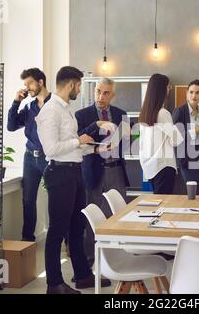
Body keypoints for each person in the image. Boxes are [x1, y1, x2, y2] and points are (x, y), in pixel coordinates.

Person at [36, 66, 110, 294]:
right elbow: (51, 149)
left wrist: (96, 150)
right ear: (71, 85)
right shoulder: (51, 111)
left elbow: (72, 148)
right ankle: (54, 284)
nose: (80, 89)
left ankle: (83, 274)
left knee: (77, 228)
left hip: (74, 171)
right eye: (79, 85)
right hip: (60, 174)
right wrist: (79, 141)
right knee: (58, 231)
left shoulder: (66, 109)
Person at [75, 77, 130, 265]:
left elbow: (129, 145)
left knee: (118, 214)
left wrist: (131, 135)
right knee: (93, 215)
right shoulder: (82, 115)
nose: (101, 96)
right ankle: (91, 257)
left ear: (112, 95)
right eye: (98, 91)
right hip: (93, 171)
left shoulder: (121, 114)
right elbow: (79, 141)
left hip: (116, 170)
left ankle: (117, 254)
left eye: (106, 92)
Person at [7, 68, 51, 242]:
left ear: (41, 82)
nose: (27, 88)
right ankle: (27, 241)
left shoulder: (55, 104)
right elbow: (11, 127)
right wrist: (16, 102)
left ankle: (64, 240)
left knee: (57, 199)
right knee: (28, 201)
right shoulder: (29, 107)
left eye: (30, 83)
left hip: (50, 158)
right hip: (30, 159)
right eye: (25, 85)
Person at [139, 73, 183, 194]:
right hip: (164, 165)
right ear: (162, 90)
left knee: (159, 202)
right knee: (164, 204)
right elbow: (176, 140)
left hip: (150, 167)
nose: (169, 90)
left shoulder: (144, 114)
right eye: (168, 87)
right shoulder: (163, 113)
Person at [172, 79, 199, 195]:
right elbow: (174, 136)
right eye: (191, 92)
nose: (194, 95)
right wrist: (196, 130)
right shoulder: (179, 111)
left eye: (198, 93)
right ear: (187, 93)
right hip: (187, 158)